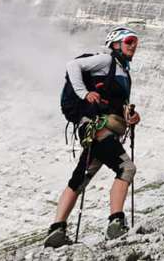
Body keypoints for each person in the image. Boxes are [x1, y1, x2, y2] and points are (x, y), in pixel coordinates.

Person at [44, 26, 141, 248]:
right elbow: (73, 65)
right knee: (126, 168)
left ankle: (56, 231)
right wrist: (84, 93)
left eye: (135, 42)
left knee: (80, 178)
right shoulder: (106, 62)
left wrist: (131, 116)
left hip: (101, 129)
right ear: (115, 44)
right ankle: (116, 224)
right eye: (129, 41)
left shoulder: (123, 72)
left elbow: (118, 105)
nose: (133, 46)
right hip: (96, 127)